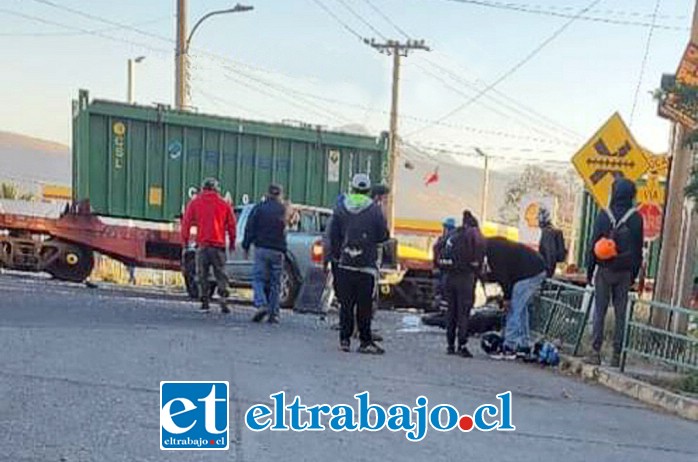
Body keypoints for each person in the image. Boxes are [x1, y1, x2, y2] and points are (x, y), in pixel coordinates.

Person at [585, 178, 643, 367]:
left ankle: (595, 352)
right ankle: (616, 355)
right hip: (625, 272)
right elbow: (638, 250)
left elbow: (592, 244)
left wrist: (590, 270)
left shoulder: (604, 214)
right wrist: (633, 275)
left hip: (604, 269)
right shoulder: (636, 218)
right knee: (621, 314)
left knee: (599, 312)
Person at [329, 173, 389, 354]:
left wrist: (339, 255)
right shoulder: (374, 210)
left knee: (346, 304)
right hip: (366, 265)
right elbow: (383, 236)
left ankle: (344, 340)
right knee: (364, 305)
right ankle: (365, 341)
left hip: (346, 263)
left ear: (353, 188)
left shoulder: (341, 208)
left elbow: (334, 236)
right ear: (368, 190)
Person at [484, 237, 547, 359]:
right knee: (521, 309)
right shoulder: (493, 245)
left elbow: (503, 277)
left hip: (529, 272)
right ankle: (524, 344)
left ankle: (510, 346)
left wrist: (507, 299)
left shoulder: (493, 253)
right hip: (535, 268)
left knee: (514, 309)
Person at [181, 178, 236, 313]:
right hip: (218, 246)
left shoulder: (195, 203)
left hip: (203, 245)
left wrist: (185, 242)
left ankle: (205, 302)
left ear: (203, 188)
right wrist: (233, 242)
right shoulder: (224, 204)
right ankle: (223, 299)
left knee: (202, 275)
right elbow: (232, 225)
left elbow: (186, 223)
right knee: (221, 274)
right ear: (217, 189)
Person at [436, 210, 485, 357]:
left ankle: (450, 345)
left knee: (451, 311)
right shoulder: (474, 234)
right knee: (463, 313)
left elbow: (437, 247)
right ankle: (462, 345)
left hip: (448, 277)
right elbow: (479, 258)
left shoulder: (452, 235)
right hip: (465, 278)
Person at [243, 184, 288, 324]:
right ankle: (274, 314)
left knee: (258, 279)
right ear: (280, 194)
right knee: (275, 283)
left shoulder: (259, 208)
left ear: (267, 193)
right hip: (278, 250)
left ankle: (262, 304)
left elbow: (250, 227)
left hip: (262, 249)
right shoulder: (284, 209)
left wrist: (246, 246)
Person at [432, 217, 457, 312]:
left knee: (442, 290)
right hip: (447, 269)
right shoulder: (454, 238)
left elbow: (436, 249)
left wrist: (436, 264)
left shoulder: (446, 239)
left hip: (444, 270)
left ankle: (443, 311)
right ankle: (444, 310)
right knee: (444, 292)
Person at [538, 207, 567, 278]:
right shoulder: (551, 231)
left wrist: (547, 272)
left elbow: (550, 253)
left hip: (547, 270)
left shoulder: (547, 233)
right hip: (549, 269)